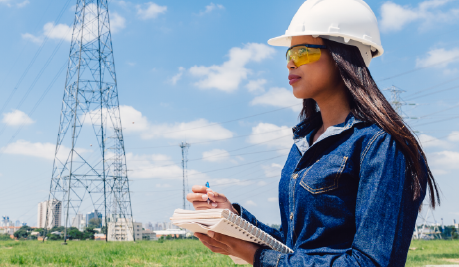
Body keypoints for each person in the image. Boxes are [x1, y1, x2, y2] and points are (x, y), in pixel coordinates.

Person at [185, 0, 440, 266]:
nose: (290, 64)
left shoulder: (381, 144)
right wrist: (234, 218)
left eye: (302, 52)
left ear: (342, 56)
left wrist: (254, 255)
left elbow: (370, 263)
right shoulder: (304, 144)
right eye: (289, 54)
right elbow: (295, 248)